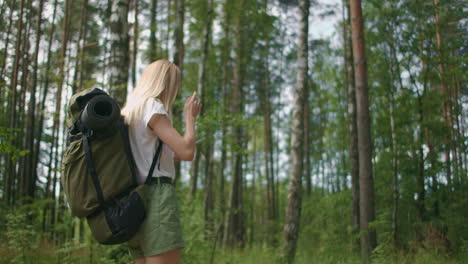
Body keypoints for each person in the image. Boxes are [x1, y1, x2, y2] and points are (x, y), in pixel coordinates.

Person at [121, 59, 201, 264]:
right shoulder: (153, 107)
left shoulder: (131, 111)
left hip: (134, 200)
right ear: (165, 84)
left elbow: (169, 154)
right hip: (157, 197)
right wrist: (190, 118)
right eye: (175, 84)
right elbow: (187, 151)